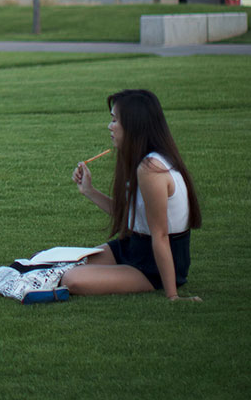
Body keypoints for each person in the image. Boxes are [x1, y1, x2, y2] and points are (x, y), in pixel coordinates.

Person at [61, 89, 202, 302]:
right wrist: (89, 191)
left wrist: (173, 295)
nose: (110, 126)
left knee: (72, 279)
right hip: (131, 245)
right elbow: (132, 216)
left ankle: (164, 285)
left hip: (151, 264)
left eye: (114, 120)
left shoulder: (151, 168)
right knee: (62, 264)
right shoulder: (141, 160)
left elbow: (161, 234)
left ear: (134, 125)